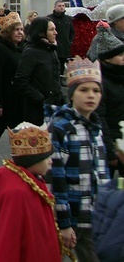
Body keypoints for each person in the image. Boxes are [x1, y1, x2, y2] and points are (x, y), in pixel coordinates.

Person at [0, 123, 64, 262]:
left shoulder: (21, 178)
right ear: (33, 159)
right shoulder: (17, 192)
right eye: (46, 157)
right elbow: (8, 243)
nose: (50, 162)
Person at [49, 57, 110, 261]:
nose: (91, 96)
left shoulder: (96, 126)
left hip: (93, 215)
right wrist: (64, 222)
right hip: (69, 214)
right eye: (83, 90)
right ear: (72, 93)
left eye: (96, 90)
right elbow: (56, 178)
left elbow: (101, 172)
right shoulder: (60, 127)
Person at [0, 12, 25, 166]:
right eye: (16, 30)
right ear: (8, 32)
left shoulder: (19, 49)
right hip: (5, 101)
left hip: (18, 101)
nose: (20, 33)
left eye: (21, 30)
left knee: (20, 137)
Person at [88, 22, 124, 177]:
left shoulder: (121, 75)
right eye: (120, 55)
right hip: (112, 143)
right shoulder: (100, 82)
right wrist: (110, 150)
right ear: (107, 58)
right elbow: (99, 117)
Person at [14, 17, 63, 125]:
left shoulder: (51, 49)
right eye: (51, 30)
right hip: (37, 110)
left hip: (54, 108)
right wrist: (40, 99)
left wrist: (61, 99)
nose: (56, 32)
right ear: (41, 33)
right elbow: (21, 81)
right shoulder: (31, 52)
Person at [48, 0, 74, 76]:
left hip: (65, 46)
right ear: (55, 7)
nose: (61, 7)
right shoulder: (50, 18)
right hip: (54, 46)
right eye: (59, 6)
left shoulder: (68, 19)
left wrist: (70, 41)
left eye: (63, 6)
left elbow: (72, 31)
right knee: (54, 64)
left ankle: (61, 78)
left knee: (62, 64)